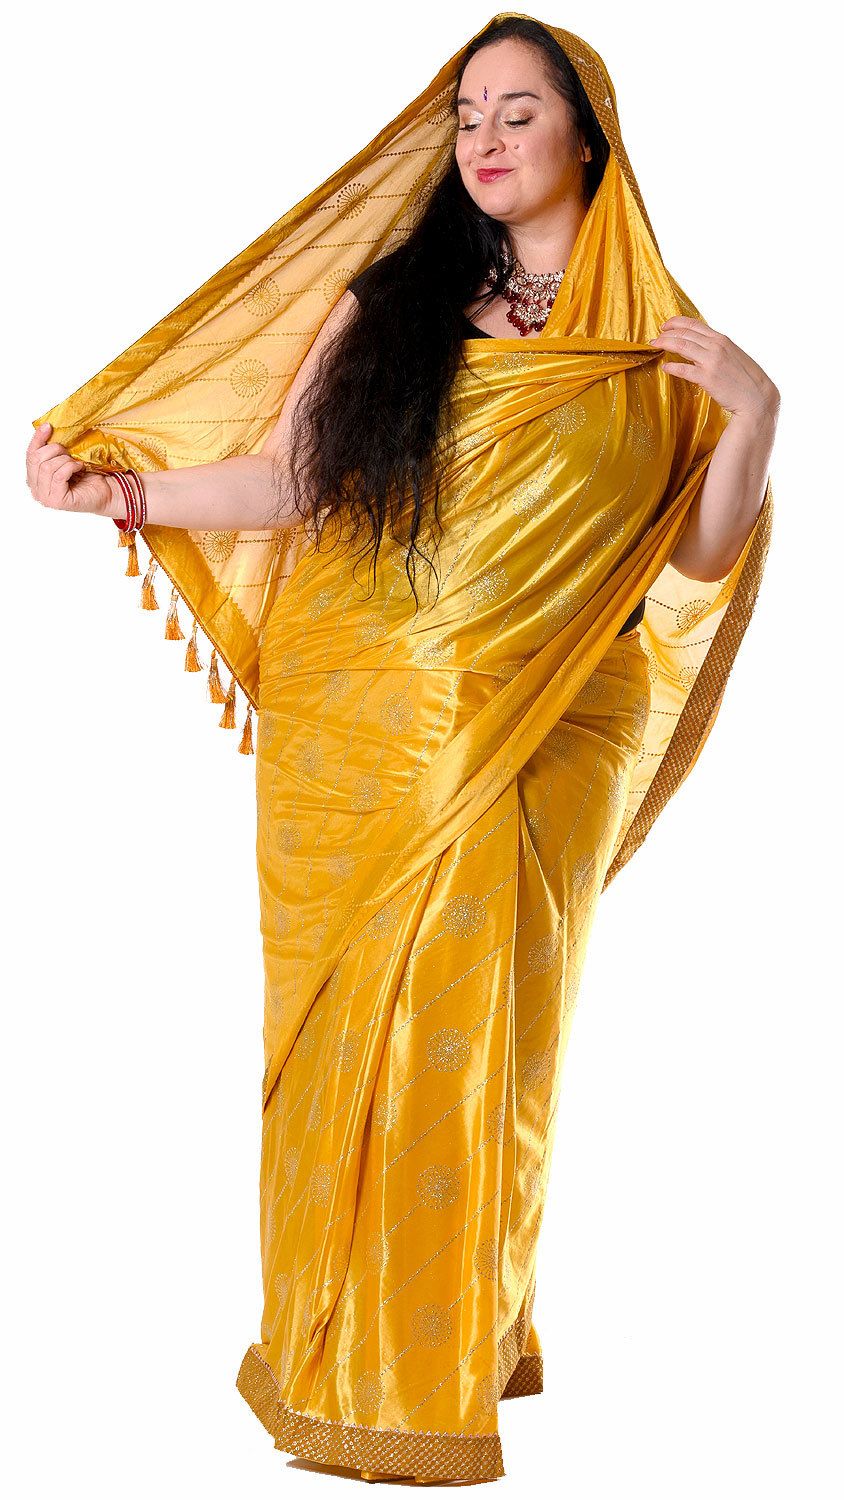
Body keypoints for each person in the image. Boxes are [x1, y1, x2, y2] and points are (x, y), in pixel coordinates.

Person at [26, 13, 777, 1487]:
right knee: (350, 1044)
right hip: (361, 732)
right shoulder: (399, 300)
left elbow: (696, 555)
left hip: (540, 735)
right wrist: (118, 497)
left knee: (490, 1044)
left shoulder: (660, 343)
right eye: (466, 115)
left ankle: (439, 1352)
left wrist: (756, 413)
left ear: (589, 138)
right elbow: (292, 484)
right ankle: (339, 1361)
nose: (485, 140)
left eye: (517, 112)